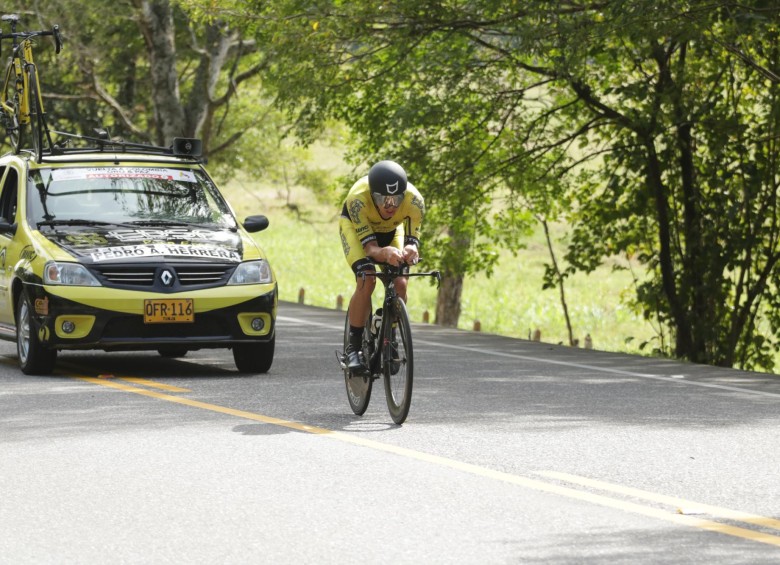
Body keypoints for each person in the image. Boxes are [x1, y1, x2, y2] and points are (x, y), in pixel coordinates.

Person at [339, 160, 425, 372]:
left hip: (392, 230)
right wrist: (383, 253)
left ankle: (389, 335)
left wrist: (411, 250)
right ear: (372, 194)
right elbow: (370, 250)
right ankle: (354, 347)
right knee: (367, 278)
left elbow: (412, 240)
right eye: (382, 198)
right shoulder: (357, 200)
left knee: (401, 284)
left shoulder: (415, 202)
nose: (390, 205)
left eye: (396, 199)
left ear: (403, 195)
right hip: (357, 229)